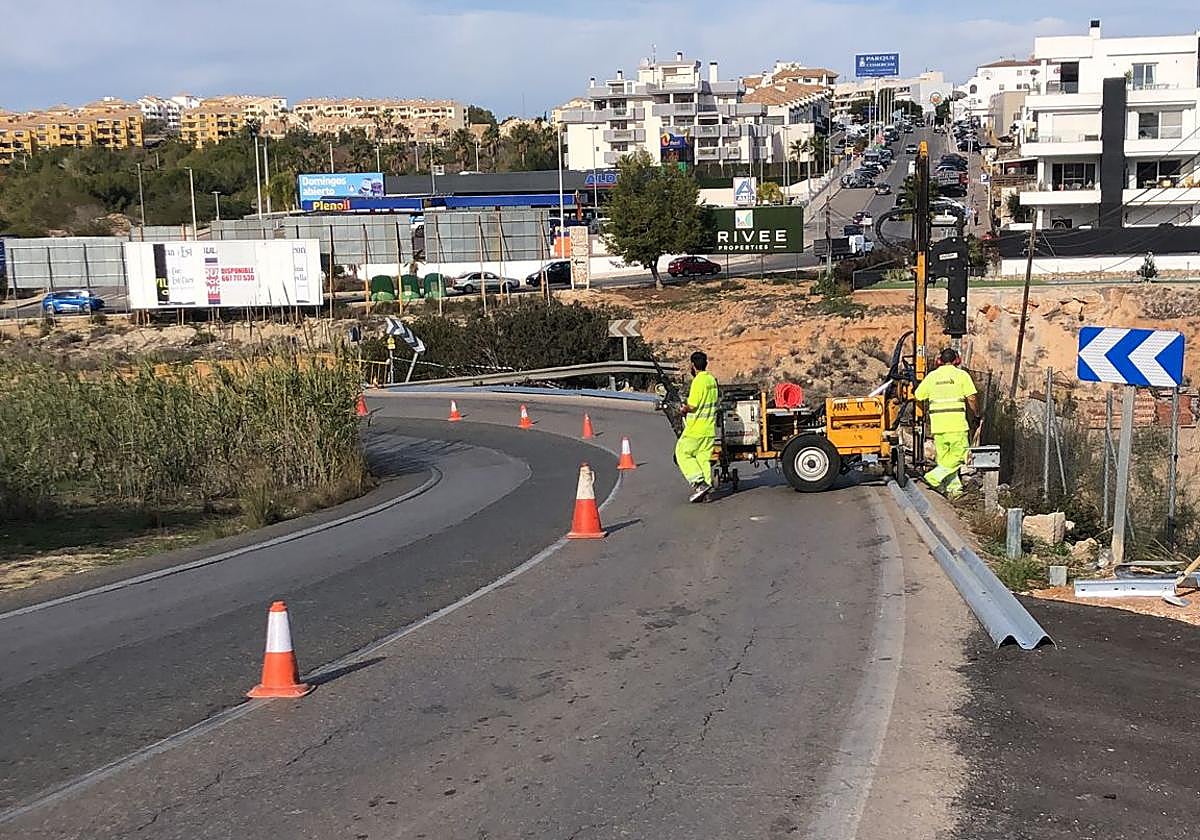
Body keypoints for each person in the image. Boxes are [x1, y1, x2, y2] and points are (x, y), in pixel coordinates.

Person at [913, 347, 978, 499]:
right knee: (961, 455)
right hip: (957, 425)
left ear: (939, 361)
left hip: (938, 426)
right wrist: (976, 414)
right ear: (957, 360)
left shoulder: (932, 377)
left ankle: (954, 491)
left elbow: (918, 395)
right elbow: (972, 398)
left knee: (945, 460)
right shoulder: (962, 375)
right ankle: (933, 477)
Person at [675, 351, 720, 503]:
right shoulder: (711, 380)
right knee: (703, 458)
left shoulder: (698, 382)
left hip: (696, 429)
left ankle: (699, 483)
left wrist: (683, 409)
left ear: (693, 365)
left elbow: (693, 405)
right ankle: (706, 492)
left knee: (682, 453)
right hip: (709, 428)